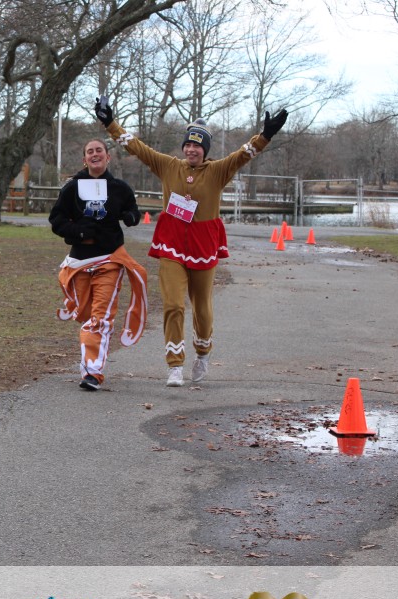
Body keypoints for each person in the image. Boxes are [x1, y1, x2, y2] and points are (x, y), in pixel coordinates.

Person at [93, 99, 287, 387]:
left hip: (203, 244)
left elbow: (244, 154)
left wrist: (266, 135)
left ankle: (203, 353)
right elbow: (136, 147)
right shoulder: (168, 166)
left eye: (197, 146)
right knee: (173, 304)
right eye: (188, 145)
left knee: (202, 308)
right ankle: (175, 364)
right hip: (172, 243)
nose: (191, 149)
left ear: (205, 149)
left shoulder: (218, 170)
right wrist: (110, 123)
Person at [49, 138, 148, 391]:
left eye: (99, 150)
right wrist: (78, 231)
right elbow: (56, 220)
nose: (95, 154)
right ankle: (90, 358)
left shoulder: (119, 188)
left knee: (100, 318)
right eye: (90, 151)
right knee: (85, 315)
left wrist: (130, 216)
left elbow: (133, 211)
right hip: (80, 262)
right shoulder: (72, 188)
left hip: (110, 259)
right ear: (84, 159)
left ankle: (92, 372)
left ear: (107, 157)